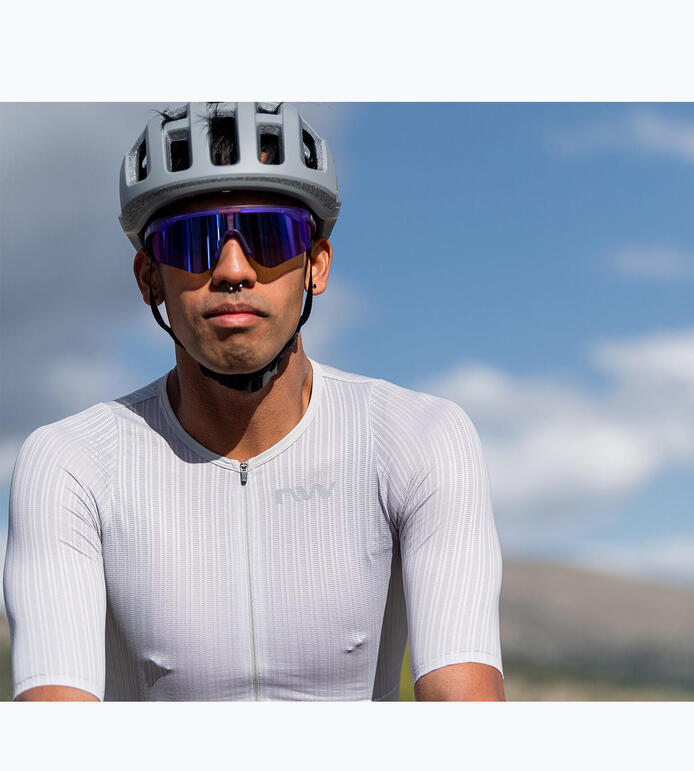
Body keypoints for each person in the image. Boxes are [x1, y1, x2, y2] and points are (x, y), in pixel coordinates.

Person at [3, 102, 504, 701]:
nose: (233, 270)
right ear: (149, 278)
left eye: (268, 235)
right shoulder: (72, 463)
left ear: (316, 265)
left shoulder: (418, 438)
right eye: (193, 241)